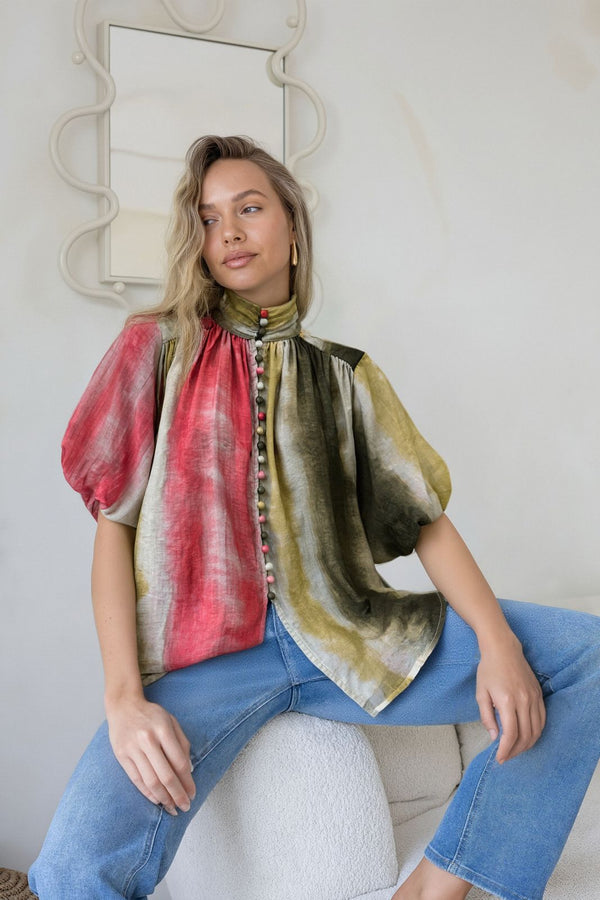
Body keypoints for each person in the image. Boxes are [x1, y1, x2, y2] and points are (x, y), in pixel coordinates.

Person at [29, 135, 600, 900]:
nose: (228, 232)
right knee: (70, 873)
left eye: (249, 208)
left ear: (293, 228)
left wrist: (497, 643)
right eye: (208, 219)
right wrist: (125, 700)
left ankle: (440, 885)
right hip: (204, 668)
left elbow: (425, 522)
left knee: (586, 655)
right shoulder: (155, 348)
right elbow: (115, 526)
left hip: (351, 637)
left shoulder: (345, 374)